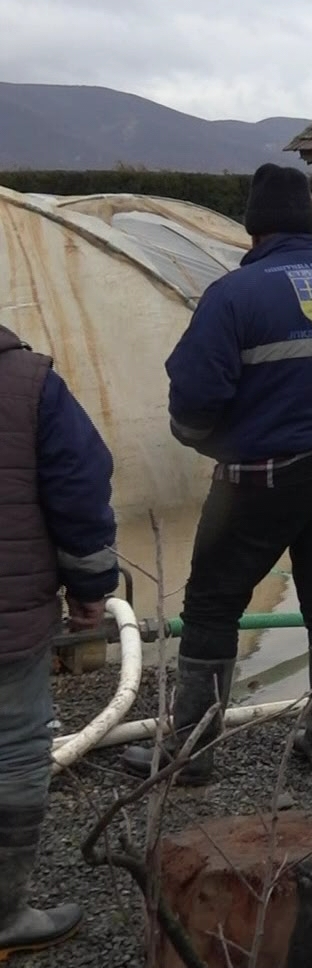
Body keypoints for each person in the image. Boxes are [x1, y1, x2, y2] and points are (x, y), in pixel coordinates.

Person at [123, 163, 312, 785]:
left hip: (257, 482)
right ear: (311, 224)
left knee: (211, 604)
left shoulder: (233, 296)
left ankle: (192, 755)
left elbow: (193, 400)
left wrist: (224, 445)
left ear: (253, 230)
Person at [0, 323, 118, 957]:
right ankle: (3, 915)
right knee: (15, 750)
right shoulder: (30, 383)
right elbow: (78, 488)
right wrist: (90, 585)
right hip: (8, 618)